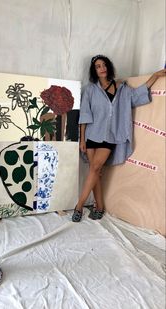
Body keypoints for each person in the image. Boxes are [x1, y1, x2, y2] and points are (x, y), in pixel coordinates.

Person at [72, 55, 166, 222]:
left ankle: (79, 206)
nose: (102, 68)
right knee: (96, 172)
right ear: (94, 71)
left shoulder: (122, 88)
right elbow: (85, 115)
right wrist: (82, 139)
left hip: (111, 136)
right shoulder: (91, 90)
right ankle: (99, 207)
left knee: (95, 168)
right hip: (92, 134)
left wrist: (155, 76)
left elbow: (137, 96)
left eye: (104, 65)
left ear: (108, 67)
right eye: (98, 66)